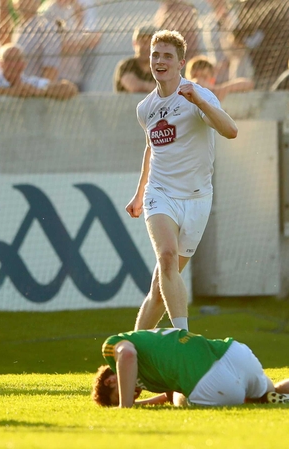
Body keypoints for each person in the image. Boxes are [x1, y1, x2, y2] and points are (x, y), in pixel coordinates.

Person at [124, 30, 238, 332]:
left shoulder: (197, 95)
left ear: (180, 63)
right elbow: (151, 148)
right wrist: (139, 194)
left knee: (160, 291)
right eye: (155, 55)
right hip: (160, 194)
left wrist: (200, 101)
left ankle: (133, 351)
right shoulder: (145, 108)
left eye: (167, 56)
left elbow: (230, 131)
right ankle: (182, 336)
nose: (160, 61)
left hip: (198, 199)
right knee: (166, 256)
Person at [93, 328, 289, 407]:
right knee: (271, 392)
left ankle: (250, 398)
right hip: (235, 353)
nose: (132, 395)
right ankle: (271, 397)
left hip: (212, 384)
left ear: (111, 380)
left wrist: (124, 406)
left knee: (182, 399)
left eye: (119, 394)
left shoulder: (113, 347)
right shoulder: (149, 352)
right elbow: (166, 394)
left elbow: (126, 355)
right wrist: (140, 404)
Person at [0, 44, 78, 99]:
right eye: (8, 60)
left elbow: (70, 89)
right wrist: (12, 92)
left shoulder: (31, 83)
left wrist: (40, 92)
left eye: (17, 60)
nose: (12, 65)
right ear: (0, 64)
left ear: (24, 64)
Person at [0, 0, 62, 81]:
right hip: (17, 88)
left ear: (38, 3)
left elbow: (51, 69)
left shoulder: (47, 29)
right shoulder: (18, 29)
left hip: (36, 89)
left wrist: (43, 90)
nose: (25, 2)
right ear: (15, 4)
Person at [186, 55, 253, 101]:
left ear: (212, 77)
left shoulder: (218, 89)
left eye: (204, 76)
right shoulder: (186, 88)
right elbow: (196, 82)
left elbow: (249, 83)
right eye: (195, 76)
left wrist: (223, 89)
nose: (200, 79)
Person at [113, 24, 157, 93]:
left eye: (151, 43)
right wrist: (158, 88)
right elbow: (134, 87)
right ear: (135, 44)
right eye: (143, 42)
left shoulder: (163, 66)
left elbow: (171, 90)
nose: (147, 47)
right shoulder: (127, 65)